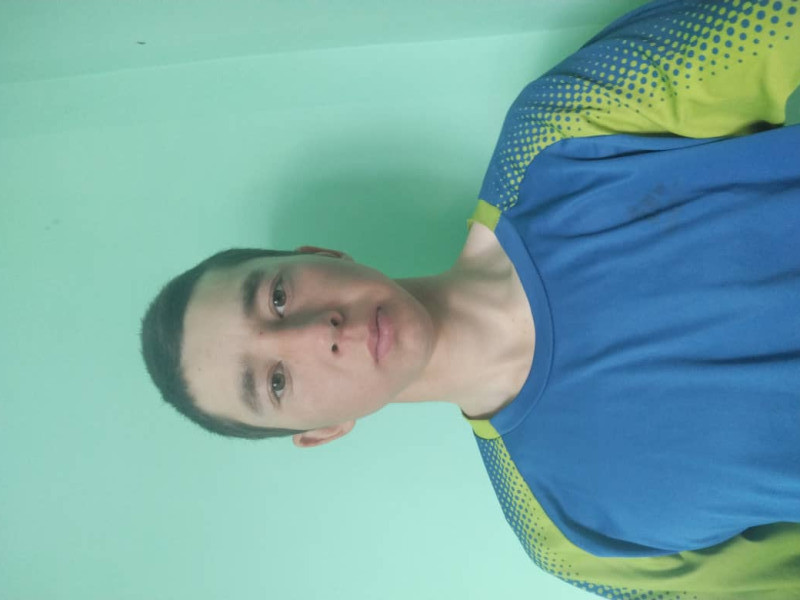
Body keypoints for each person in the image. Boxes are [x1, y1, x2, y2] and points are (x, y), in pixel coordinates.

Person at [141, 0, 800, 598]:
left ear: (318, 255)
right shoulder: (565, 537)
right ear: (322, 432)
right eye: (276, 382)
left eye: (278, 297)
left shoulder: (560, 126)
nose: (320, 332)